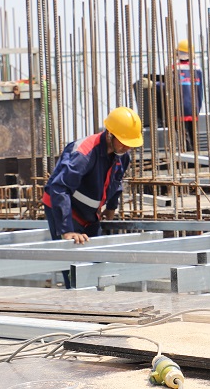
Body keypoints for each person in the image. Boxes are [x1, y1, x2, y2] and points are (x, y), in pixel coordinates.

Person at [43, 107, 144, 286]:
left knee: (96, 262)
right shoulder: (83, 154)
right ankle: (75, 304)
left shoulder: (122, 156)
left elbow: (116, 181)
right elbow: (59, 188)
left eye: (130, 143)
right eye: (123, 141)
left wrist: (111, 208)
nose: (126, 146)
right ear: (109, 134)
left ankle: (94, 303)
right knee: (74, 266)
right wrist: (67, 230)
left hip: (89, 214)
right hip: (64, 209)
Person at [175, 39, 204, 152]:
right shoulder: (197, 69)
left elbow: (167, 87)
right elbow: (200, 91)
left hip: (179, 108)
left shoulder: (173, 68)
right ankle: (194, 155)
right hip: (193, 107)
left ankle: (187, 154)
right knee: (193, 136)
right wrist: (198, 108)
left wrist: (154, 84)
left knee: (183, 135)